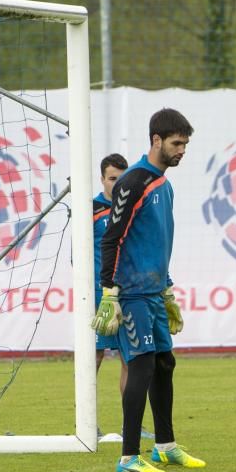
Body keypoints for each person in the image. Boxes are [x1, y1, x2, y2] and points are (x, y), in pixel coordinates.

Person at [92, 108, 205, 472]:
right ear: (156, 140)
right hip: (132, 294)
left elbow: (157, 242)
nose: (181, 150)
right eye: (176, 143)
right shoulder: (133, 182)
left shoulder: (165, 185)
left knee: (164, 365)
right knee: (139, 368)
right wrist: (109, 291)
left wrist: (167, 289)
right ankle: (127, 457)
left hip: (155, 293)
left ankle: (165, 446)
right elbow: (113, 237)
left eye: (185, 144)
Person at [93, 154, 130, 396]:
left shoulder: (133, 206)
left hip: (129, 291)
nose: (116, 184)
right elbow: (77, 254)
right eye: (112, 179)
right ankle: (84, 423)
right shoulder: (91, 210)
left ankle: (131, 425)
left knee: (131, 357)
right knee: (93, 356)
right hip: (100, 292)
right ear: (102, 179)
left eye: (121, 179)